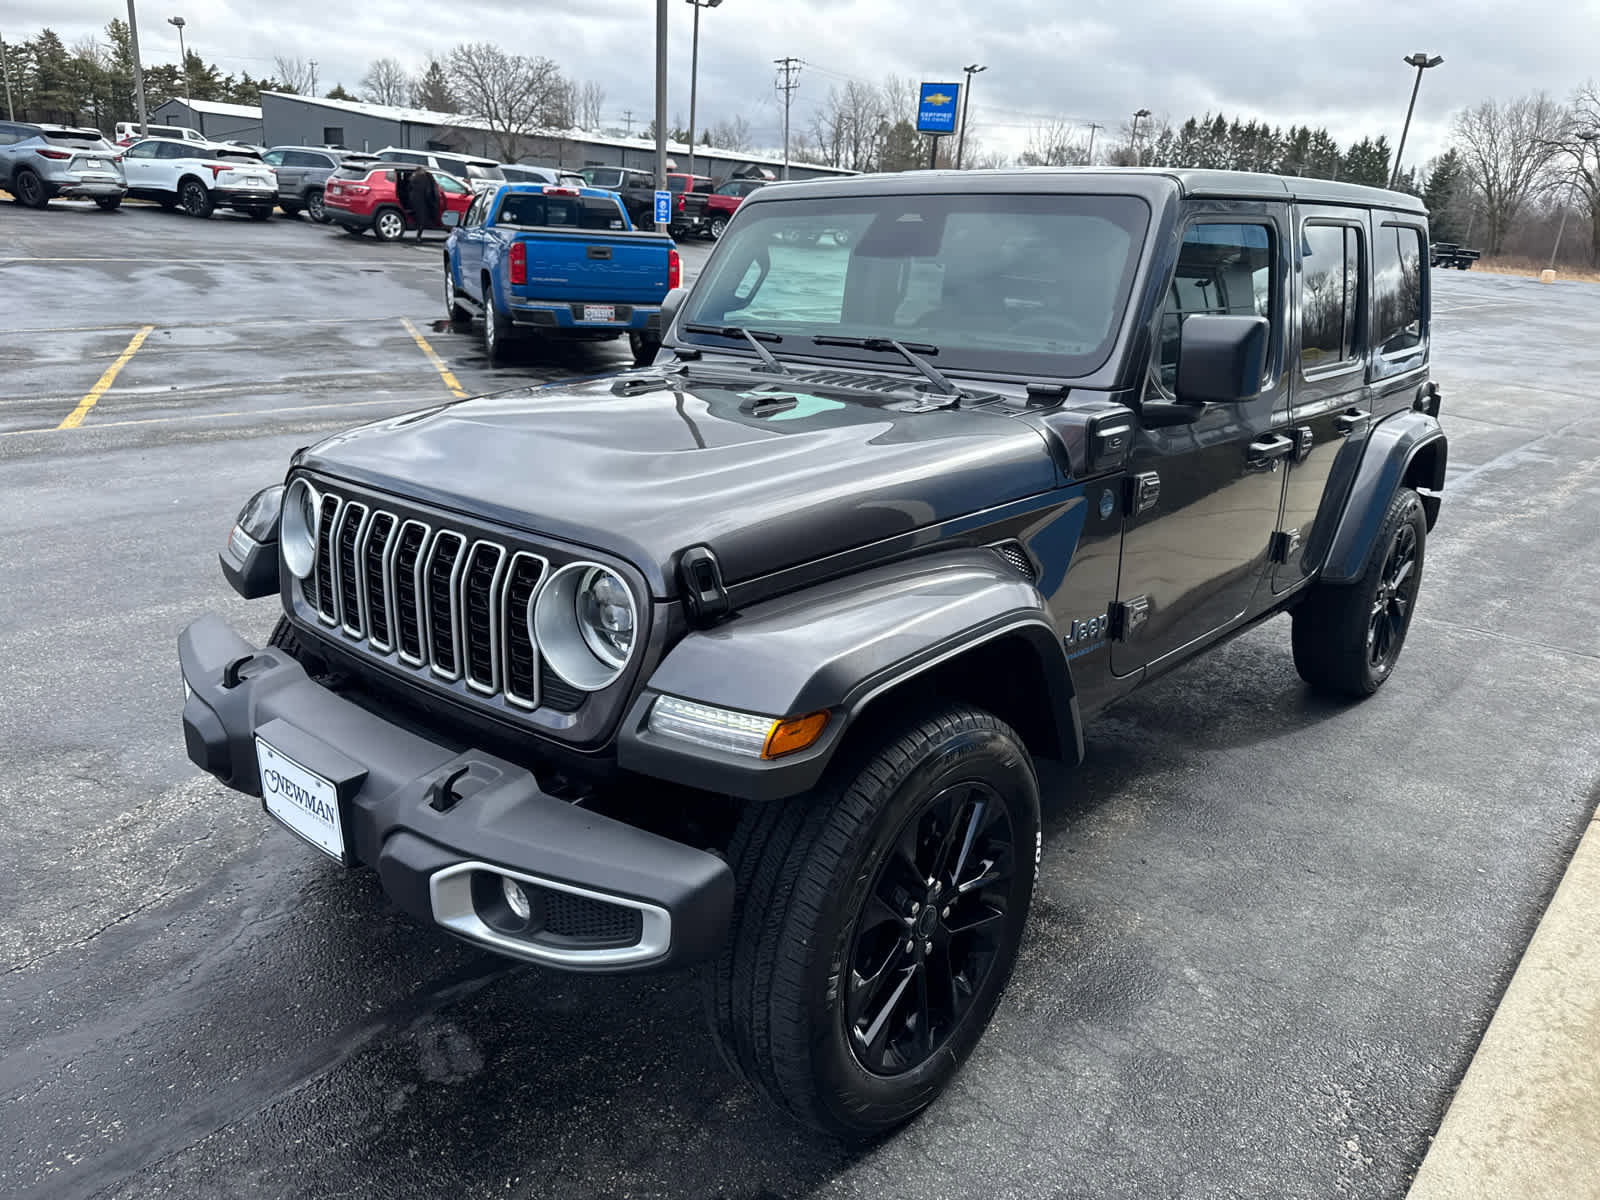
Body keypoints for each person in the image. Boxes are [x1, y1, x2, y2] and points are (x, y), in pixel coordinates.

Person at [404, 168, 441, 241]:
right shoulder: (426, 178)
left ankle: (417, 233)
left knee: (419, 217)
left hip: (414, 200)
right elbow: (429, 191)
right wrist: (431, 201)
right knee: (422, 218)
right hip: (423, 201)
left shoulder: (412, 179)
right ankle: (418, 235)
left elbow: (409, 189)